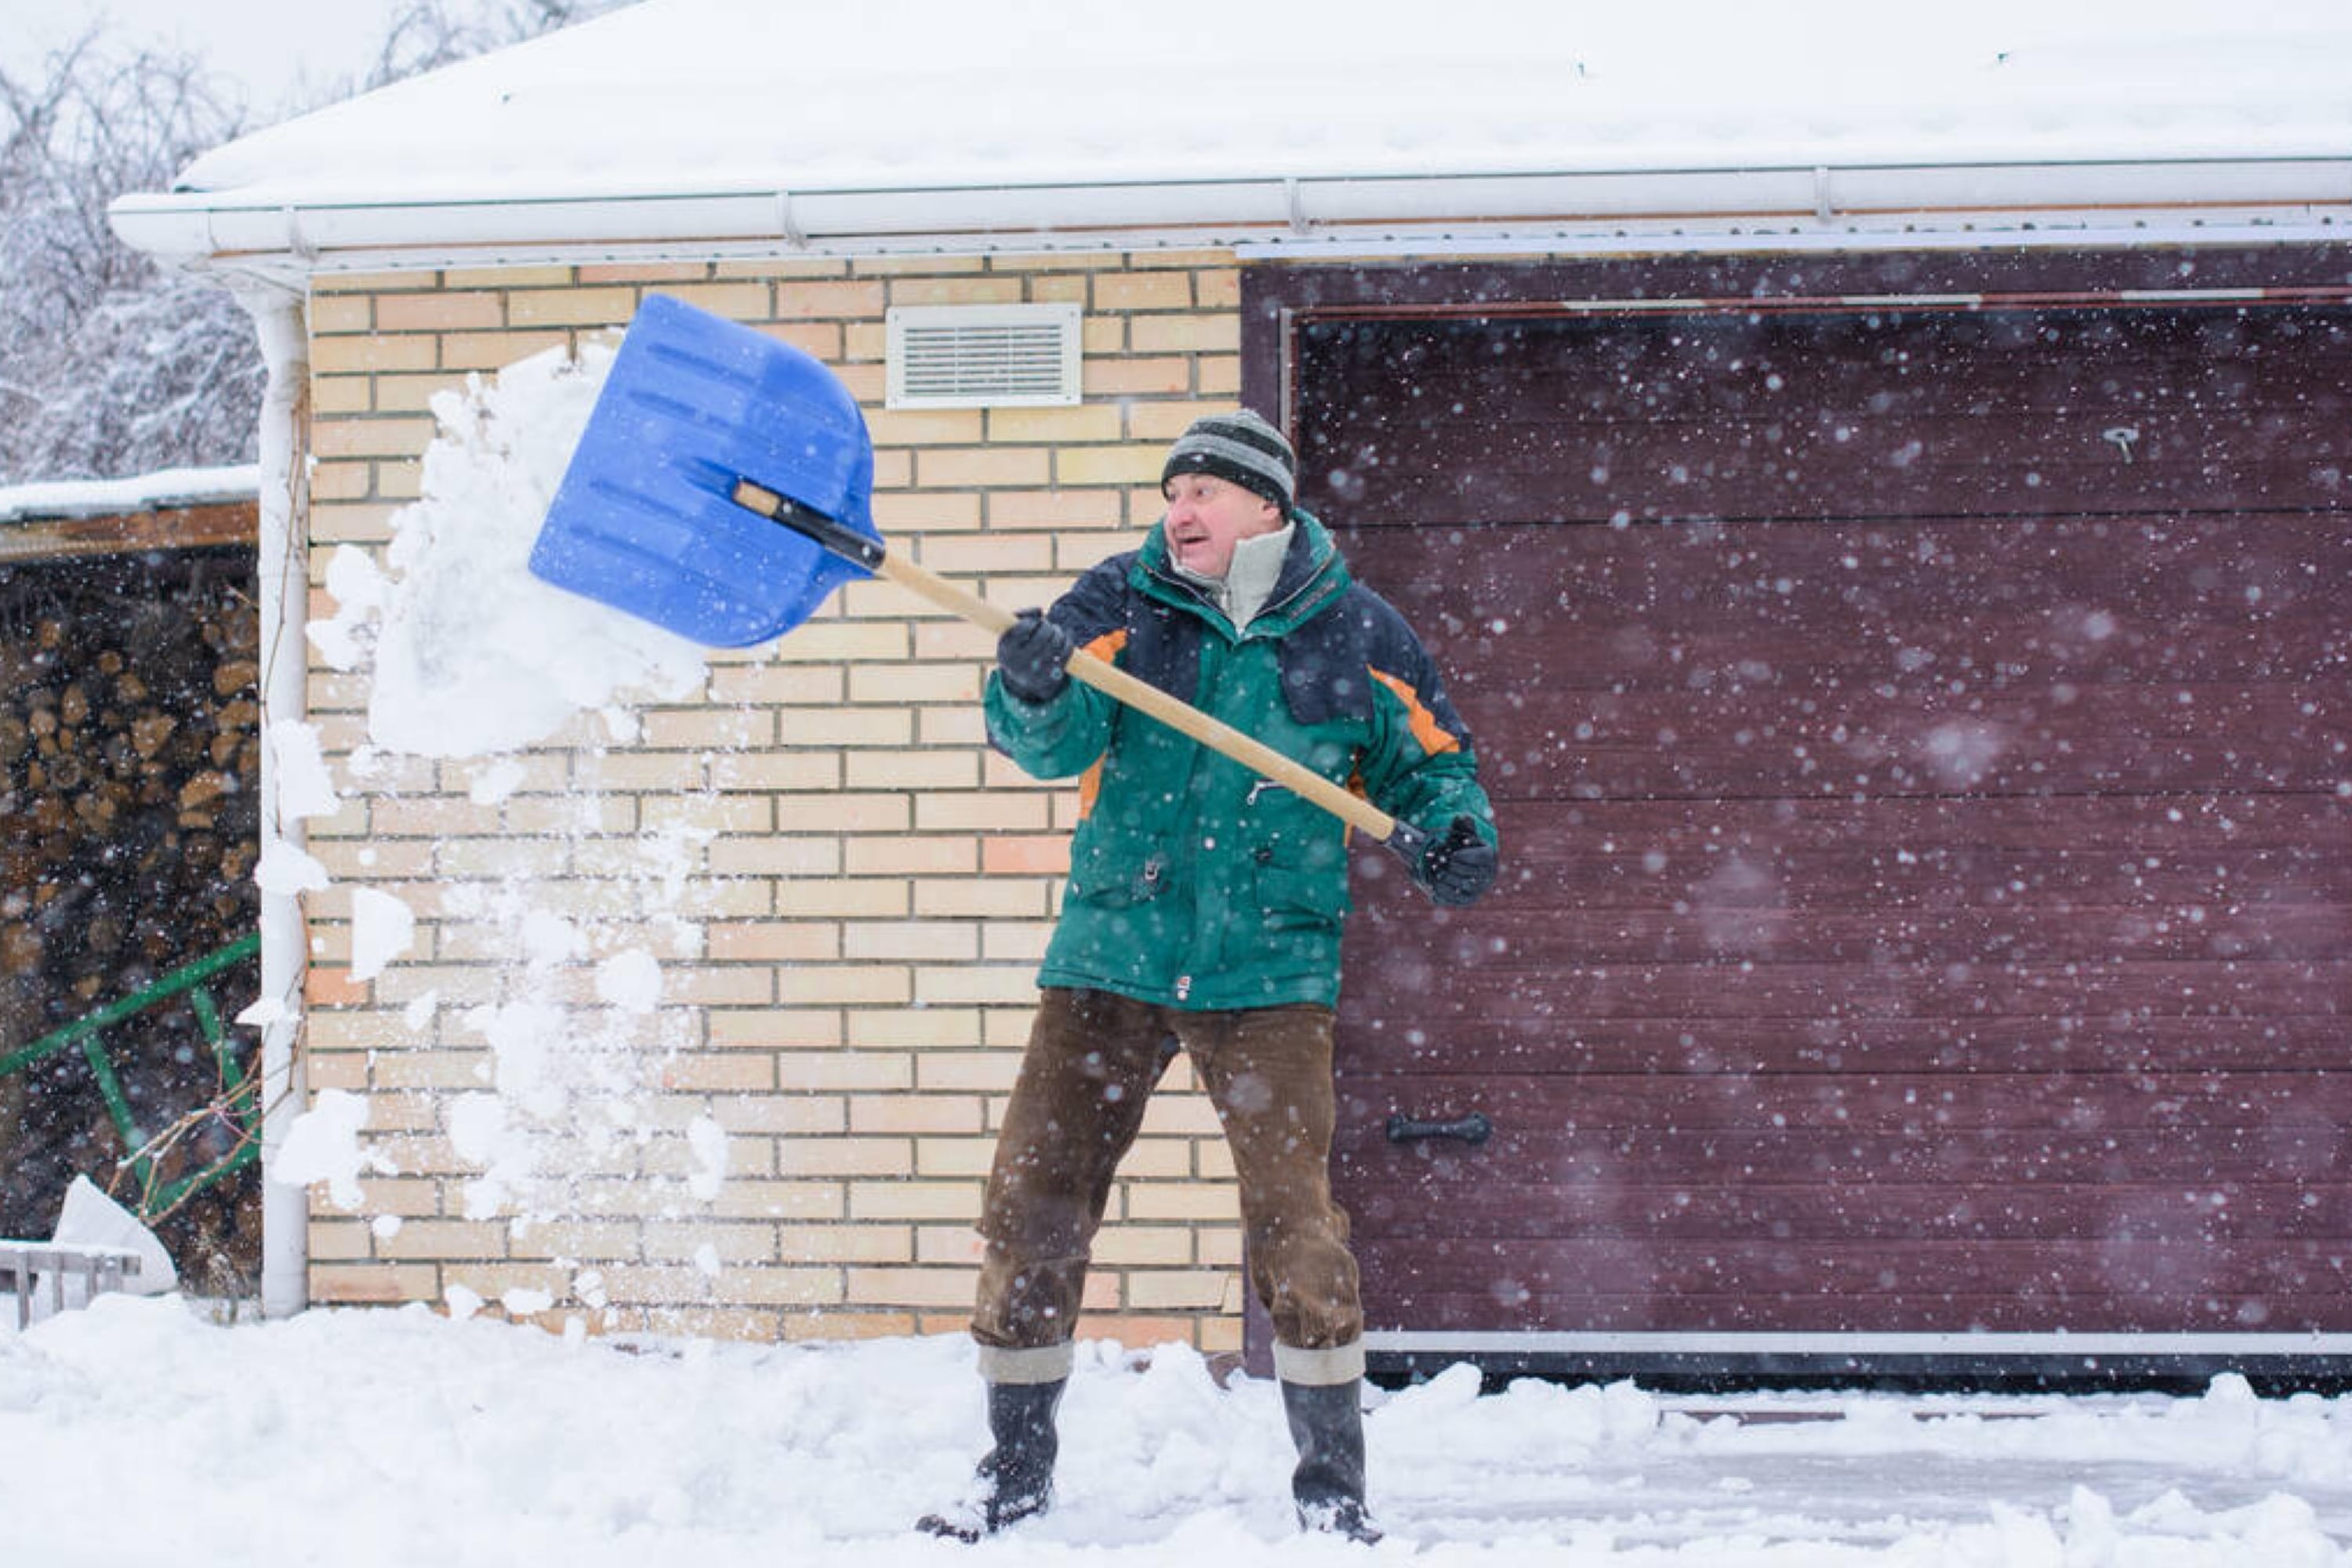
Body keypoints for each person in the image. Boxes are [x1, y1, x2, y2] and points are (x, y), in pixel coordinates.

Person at [919, 410, 1498, 1544]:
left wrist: (1456, 834)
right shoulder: (1118, 602)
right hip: (1111, 958)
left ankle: (1334, 1497)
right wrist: (1033, 689)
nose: (1178, 511)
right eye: (1172, 491)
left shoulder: (1358, 630)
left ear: (1268, 509)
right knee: (1034, 1205)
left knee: (1298, 1231)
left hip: (1270, 971)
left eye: (1205, 493)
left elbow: (1434, 763)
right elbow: (1049, 744)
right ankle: (1013, 1475)